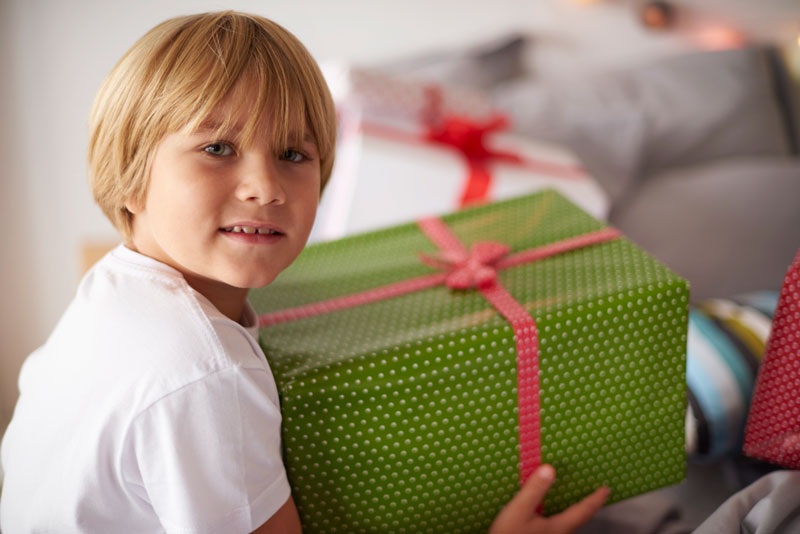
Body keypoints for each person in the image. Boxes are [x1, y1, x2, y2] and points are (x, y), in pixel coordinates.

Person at [0, 11, 608, 533]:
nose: (266, 187)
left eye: (294, 155)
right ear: (130, 174)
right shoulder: (203, 371)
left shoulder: (113, 292)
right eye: (218, 148)